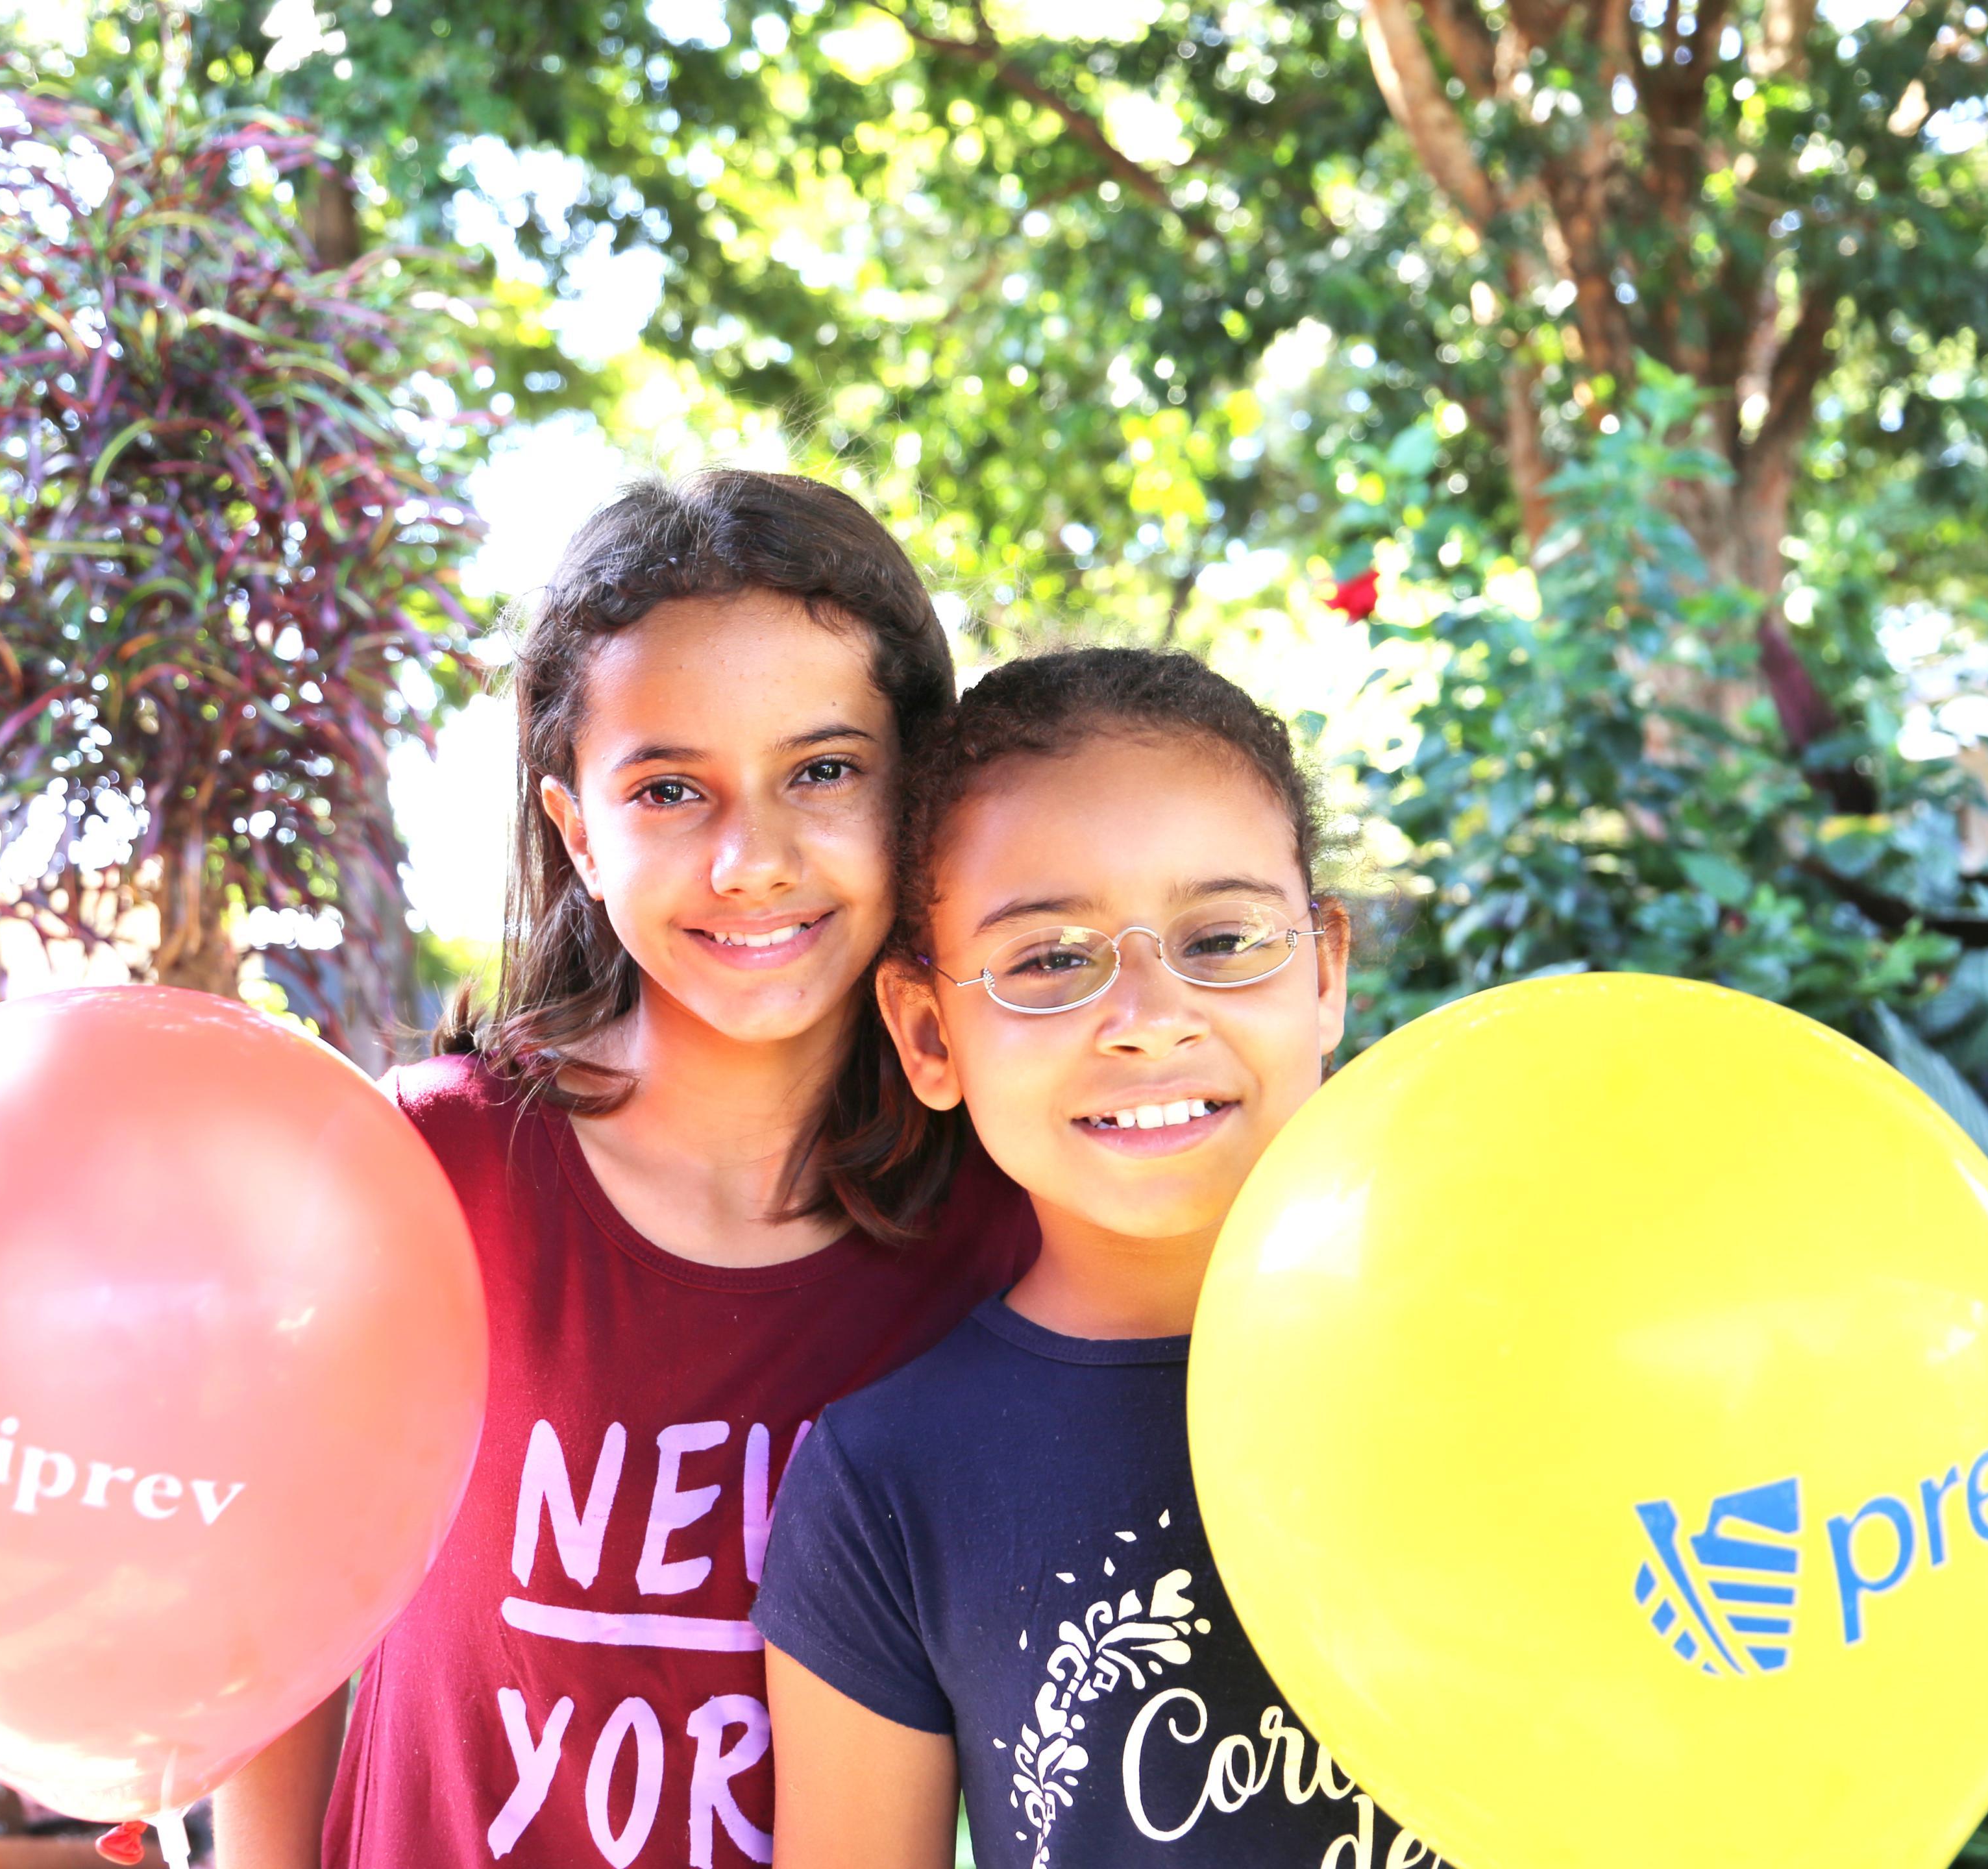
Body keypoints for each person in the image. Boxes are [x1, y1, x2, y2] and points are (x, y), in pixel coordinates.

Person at [214, 471, 1037, 1869]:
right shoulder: (427, 1175)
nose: (752, 858)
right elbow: (278, 1607)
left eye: (824, 770)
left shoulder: (1006, 1232)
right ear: (580, 831)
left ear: (918, 794)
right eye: (669, 789)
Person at [754, 647, 1431, 1869]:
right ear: (927, 1032)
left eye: (1224, 937)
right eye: (1051, 961)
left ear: (1325, 971)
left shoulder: (1505, 1348)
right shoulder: (889, 1483)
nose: (1151, 1014)